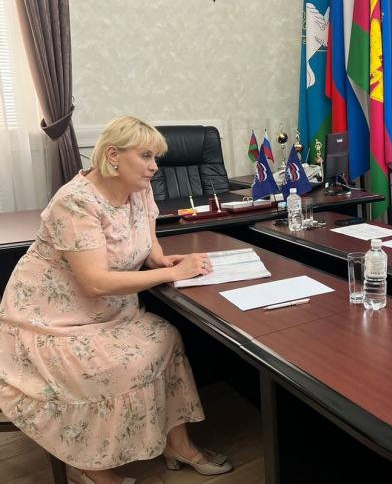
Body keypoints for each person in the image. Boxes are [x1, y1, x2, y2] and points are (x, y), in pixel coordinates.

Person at [0, 117, 233, 484]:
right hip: (50, 321)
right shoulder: (75, 202)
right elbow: (95, 282)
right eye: (146, 156)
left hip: (107, 313)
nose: (155, 167)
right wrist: (172, 273)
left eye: (156, 157)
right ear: (113, 155)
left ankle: (178, 445)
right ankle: (89, 466)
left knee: (166, 337)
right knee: (116, 366)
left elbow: (149, 242)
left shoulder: (139, 189)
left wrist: (161, 261)